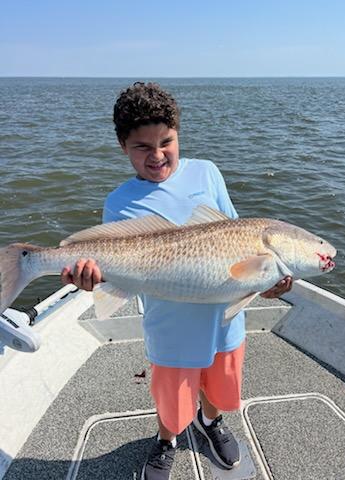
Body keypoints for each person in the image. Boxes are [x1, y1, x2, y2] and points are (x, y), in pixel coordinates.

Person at [61, 82, 292, 480]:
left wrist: (267, 280)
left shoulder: (208, 173)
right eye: (142, 147)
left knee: (219, 386)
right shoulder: (120, 202)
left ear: (178, 134)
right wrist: (92, 279)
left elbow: (239, 236)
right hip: (170, 329)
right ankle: (167, 439)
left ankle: (210, 422)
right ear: (123, 147)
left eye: (166, 141)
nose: (157, 155)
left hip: (224, 320)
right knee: (172, 398)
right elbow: (114, 270)